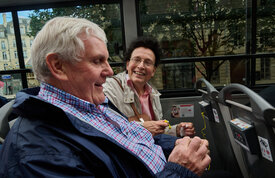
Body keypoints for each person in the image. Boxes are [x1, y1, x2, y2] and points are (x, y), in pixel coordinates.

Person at [0, 17, 210, 177]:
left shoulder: (93, 106)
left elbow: (136, 139)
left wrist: (178, 145)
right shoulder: (38, 152)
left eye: (107, 61)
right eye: (97, 61)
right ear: (58, 66)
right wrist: (180, 170)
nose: (110, 71)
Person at [103, 37, 195, 137]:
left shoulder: (153, 94)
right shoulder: (110, 88)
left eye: (147, 62)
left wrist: (176, 130)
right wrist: (142, 127)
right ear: (128, 64)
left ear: (153, 71)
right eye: (137, 60)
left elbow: (155, 132)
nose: (141, 66)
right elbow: (106, 126)